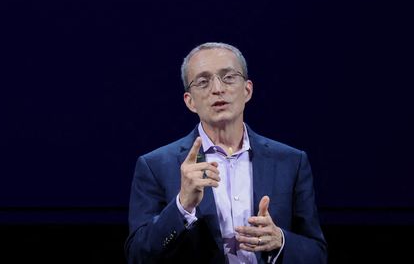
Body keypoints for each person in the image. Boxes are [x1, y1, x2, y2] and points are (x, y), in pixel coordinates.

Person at [125, 42, 326, 263]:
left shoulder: (291, 162)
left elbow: (317, 253)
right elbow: (138, 256)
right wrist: (182, 205)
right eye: (203, 82)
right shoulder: (155, 166)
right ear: (190, 101)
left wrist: (280, 241)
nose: (217, 88)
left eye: (228, 77)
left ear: (247, 90)